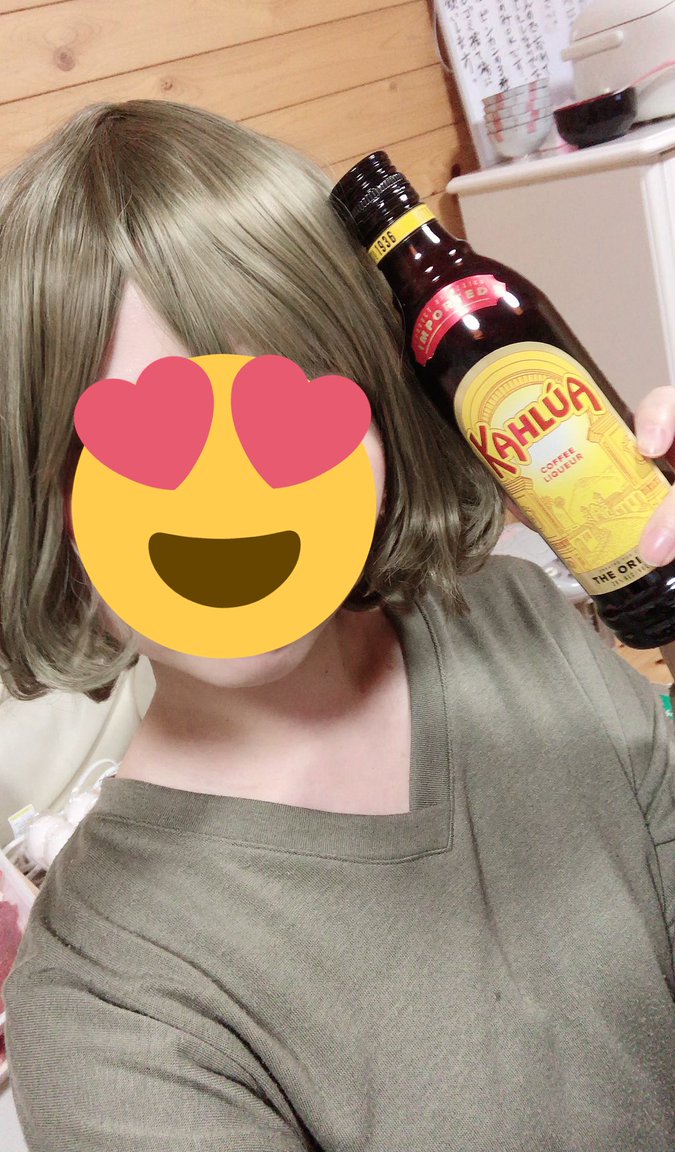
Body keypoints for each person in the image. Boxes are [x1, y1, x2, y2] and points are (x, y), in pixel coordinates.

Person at [1, 100, 673, 1152]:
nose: (226, 497)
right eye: (147, 443)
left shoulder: (514, 619)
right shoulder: (108, 1000)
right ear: (48, 500)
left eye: (274, 409)